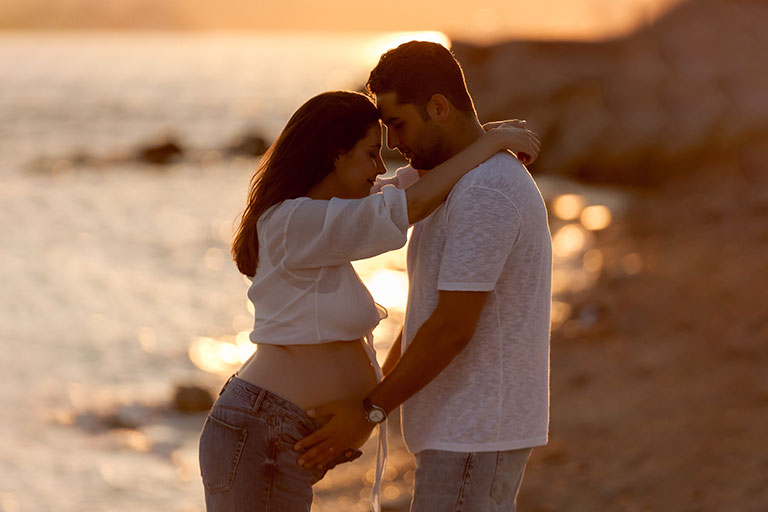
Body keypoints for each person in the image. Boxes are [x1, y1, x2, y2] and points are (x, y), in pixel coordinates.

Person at [197, 89, 541, 512]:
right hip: (261, 429)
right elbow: (410, 203)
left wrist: (476, 138)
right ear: (335, 155)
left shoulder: (323, 217)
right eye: (371, 153)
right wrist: (490, 143)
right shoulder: (292, 221)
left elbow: (413, 183)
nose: (381, 168)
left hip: (277, 431)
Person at [294, 42, 553, 512]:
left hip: (474, 434)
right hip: (464, 433)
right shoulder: (451, 182)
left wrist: (370, 411)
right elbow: (426, 316)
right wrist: (369, 402)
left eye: (397, 124)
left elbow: (450, 329)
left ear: (438, 107)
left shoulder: (486, 191)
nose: (392, 144)